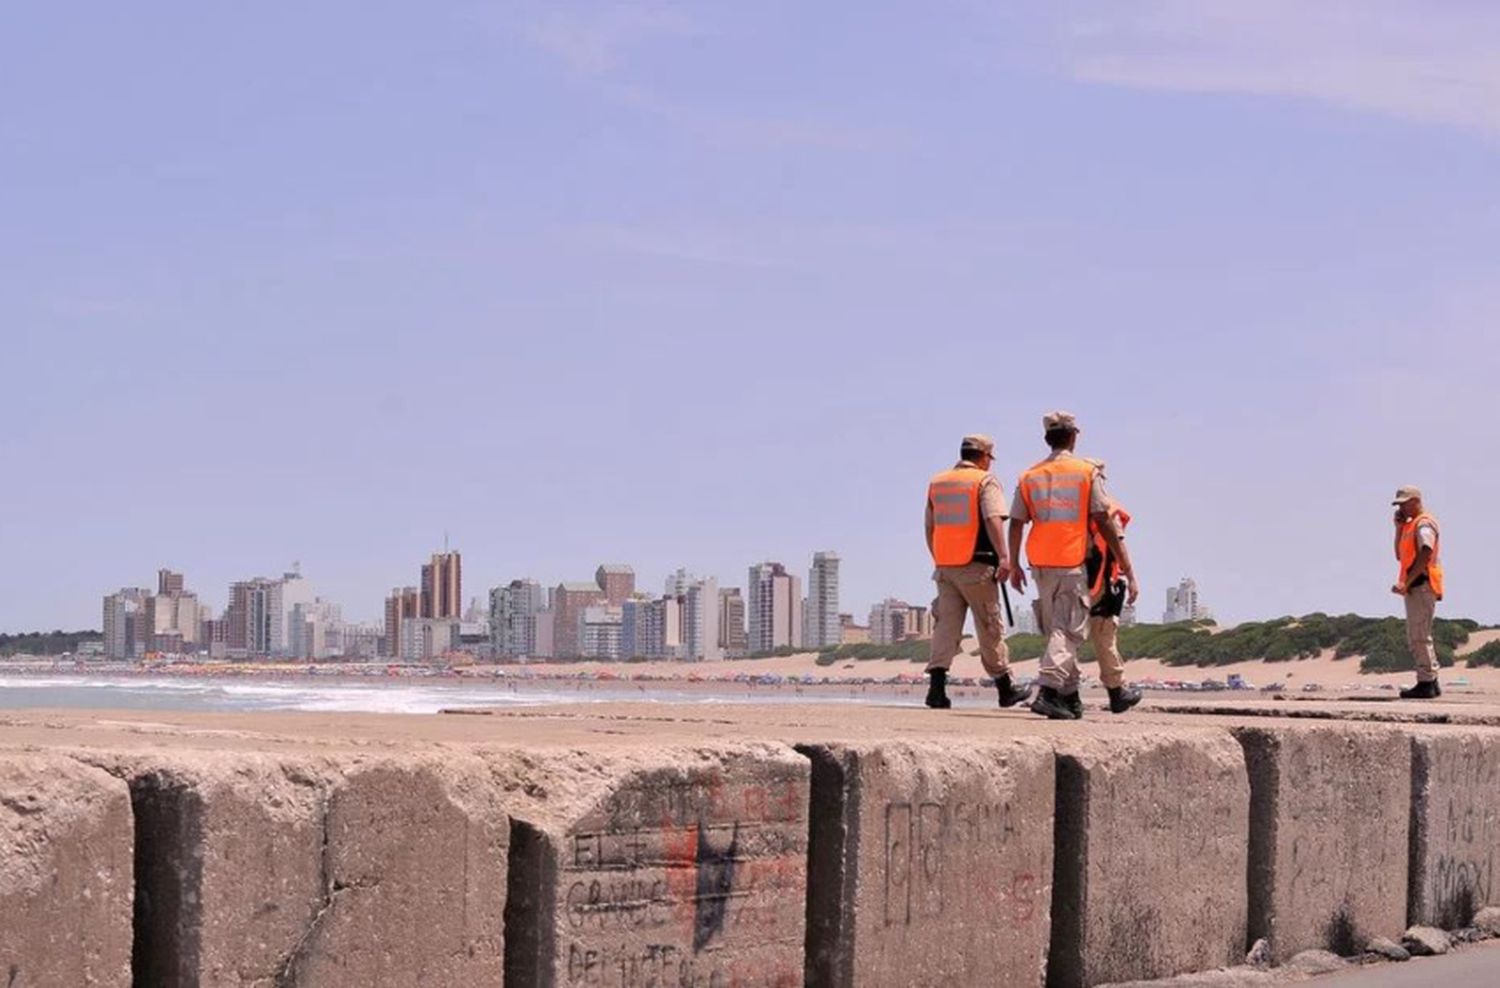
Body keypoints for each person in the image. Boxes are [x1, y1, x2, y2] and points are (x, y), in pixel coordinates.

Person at [1008, 412, 1138, 720]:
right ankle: (1049, 692)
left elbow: (1015, 523)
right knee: (1068, 632)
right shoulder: (1085, 472)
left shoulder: (1029, 475)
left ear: (1046, 438)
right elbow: (1103, 519)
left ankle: (1069, 698)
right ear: (1074, 437)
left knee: (1058, 630)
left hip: (1039, 563)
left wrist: (1012, 563)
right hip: (1070, 562)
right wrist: (1127, 567)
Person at [923, 434, 1028, 710]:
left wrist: (940, 559)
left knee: (945, 627)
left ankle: (936, 690)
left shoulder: (938, 482)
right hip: (977, 564)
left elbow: (929, 528)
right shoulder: (984, 481)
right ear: (983, 457)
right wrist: (1005, 556)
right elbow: (993, 518)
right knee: (989, 625)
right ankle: (1006, 688)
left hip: (946, 567)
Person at [1082, 459, 1143, 714]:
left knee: (1064, 637)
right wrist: (1131, 576)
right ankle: (1117, 692)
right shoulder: (1108, 510)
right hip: (1101, 584)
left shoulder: (1066, 511)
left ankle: (1059, 691)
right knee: (1105, 638)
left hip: (1068, 581)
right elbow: (1118, 545)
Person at [1391, 486, 1444, 699]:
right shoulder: (1410, 526)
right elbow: (1399, 555)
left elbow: (1426, 551)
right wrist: (1398, 528)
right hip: (1416, 586)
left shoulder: (1423, 523)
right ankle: (1430, 681)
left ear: (1415, 501)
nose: (1401, 508)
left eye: (1404, 503)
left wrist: (1407, 582)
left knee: (1419, 635)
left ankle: (1427, 682)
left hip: (1422, 584)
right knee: (1417, 634)